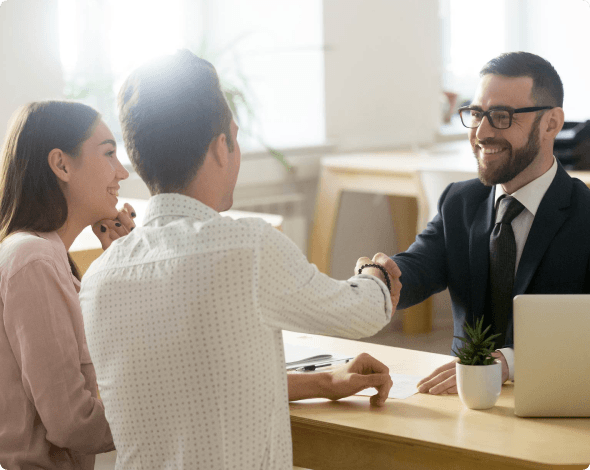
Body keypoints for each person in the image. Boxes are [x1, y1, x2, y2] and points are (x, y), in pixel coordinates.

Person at [79, 49, 402, 469]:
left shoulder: (99, 277)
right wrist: (375, 273)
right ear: (221, 145)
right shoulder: (247, 247)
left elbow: (197, 385)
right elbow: (363, 313)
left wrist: (323, 380)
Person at [367, 51, 590, 395]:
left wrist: (508, 362)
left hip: (558, 399)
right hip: (464, 399)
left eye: (501, 116)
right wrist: (379, 278)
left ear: (551, 123)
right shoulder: (460, 201)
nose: (481, 132)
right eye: (475, 114)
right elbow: (418, 266)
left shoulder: (585, 215)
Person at [0, 101, 136, 469]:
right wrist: (165, 413)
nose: (121, 172)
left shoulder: (45, 258)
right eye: (109, 154)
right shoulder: (34, 260)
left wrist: (120, 270)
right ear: (61, 164)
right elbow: (72, 422)